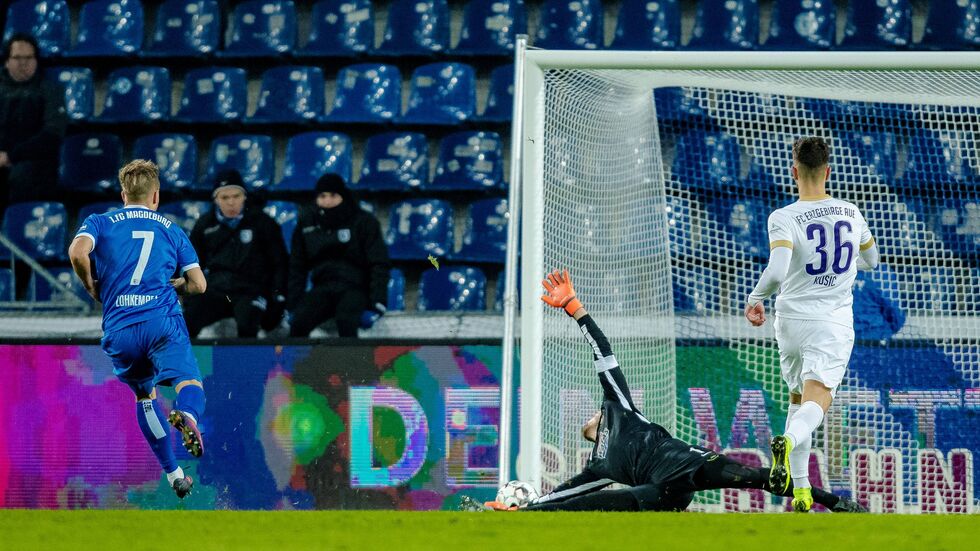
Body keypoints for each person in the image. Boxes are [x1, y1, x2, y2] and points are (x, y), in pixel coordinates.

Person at [481, 269, 865, 513]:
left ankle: (837, 503)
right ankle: (526, 515)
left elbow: (603, 353)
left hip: (690, 464)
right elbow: (563, 495)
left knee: (755, 476)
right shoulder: (598, 468)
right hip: (661, 493)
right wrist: (529, 507)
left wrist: (575, 308)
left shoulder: (618, 407)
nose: (589, 418)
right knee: (601, 501)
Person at [744, 137, 879, 512]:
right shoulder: (851, 213)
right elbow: (873, 260)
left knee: (797, 400)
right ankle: (785, 442)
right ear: (828, 171)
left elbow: (776, 271)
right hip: (830, 323)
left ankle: (801, 492)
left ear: (794, 171)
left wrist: (755, 298)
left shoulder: (783, 217)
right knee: (817, 400)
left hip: (789, 322)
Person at [67, 160, 208, 499]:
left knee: (145, 396)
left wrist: (91, 287)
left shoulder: (100, 221)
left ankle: (174, 474)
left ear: (123, 194)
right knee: (189, 381)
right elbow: (199, 285)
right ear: (155, 196)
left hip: (120, 326)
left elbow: (77, 251)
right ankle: (187, 413)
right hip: (161, 320)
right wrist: (176, 285)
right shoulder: (172, 229)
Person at [183, 170, 288, 338]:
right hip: (217, 290)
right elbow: (192, 264)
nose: (231, 202)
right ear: (215, 199)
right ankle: (187, 364)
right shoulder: (204, 225)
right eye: (225, 198)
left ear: (244, 196)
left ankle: (247, 364)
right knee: (185, 323)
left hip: (251, 291)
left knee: (248, 325)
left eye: (236, 196)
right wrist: (190, 297)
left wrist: (277, 297)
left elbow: (279, 263)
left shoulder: (263, 223)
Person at [288, 173, 389, 338]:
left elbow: (379, 263)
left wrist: (378, 302)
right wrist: (293, 304)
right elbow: (297, 266)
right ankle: (298, 364)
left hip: (355, 288)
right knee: (299, 322)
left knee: (347, 320)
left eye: (333, 195)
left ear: (343, 196)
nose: (327, 201)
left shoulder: (364, 221)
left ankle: (350, 364)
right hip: (322, 287)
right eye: (322, 196)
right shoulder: (307, 223)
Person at [0, 33, 66, 212]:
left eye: (29, 57)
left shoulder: (50, 91)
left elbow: (52, 135)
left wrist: (10, 156)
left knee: (23, 176)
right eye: (17, 58)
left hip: (33, 162)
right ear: (6, 62)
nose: (23, 63)